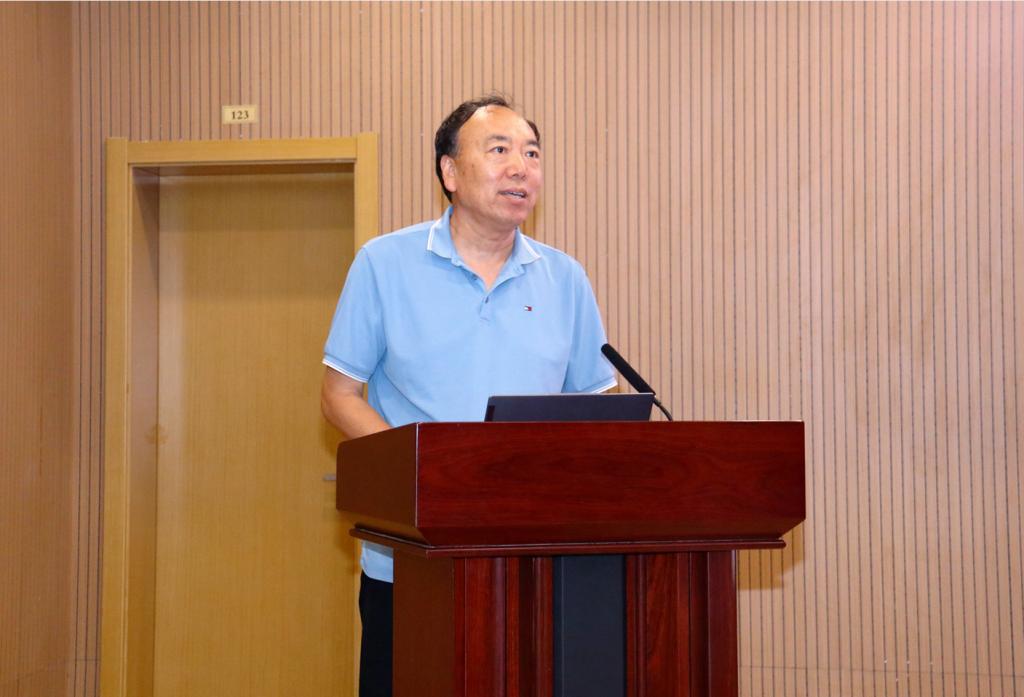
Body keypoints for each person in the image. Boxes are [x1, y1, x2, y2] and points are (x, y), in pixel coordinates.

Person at [320, 95, 617, 697]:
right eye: (499, 150)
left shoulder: (565, 278)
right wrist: (422, 470)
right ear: (450, 172)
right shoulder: (384, 263)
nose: (520, 167)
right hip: (412, 558)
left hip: (535, 559)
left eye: (532, 153)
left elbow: (596, 411)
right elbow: (340, 394)